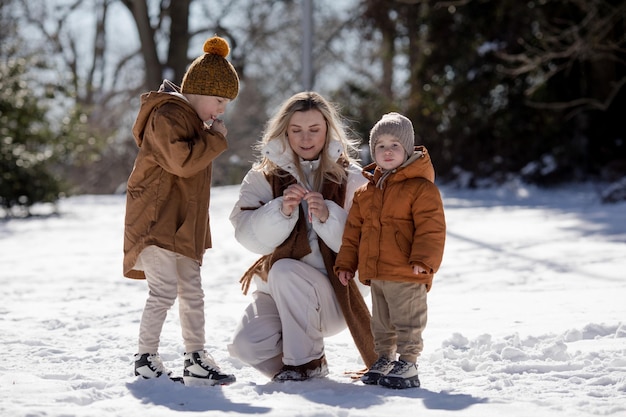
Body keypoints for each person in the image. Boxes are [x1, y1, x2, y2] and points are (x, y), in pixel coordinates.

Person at [228, 91, 378, 382]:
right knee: (246, 345)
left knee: (284, 271)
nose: (305, 138)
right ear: (284, 131)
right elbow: (245, 234)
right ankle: (303, 372)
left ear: (328, 131)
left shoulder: (354, 178)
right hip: (278, 292)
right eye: (296, 130)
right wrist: (280, 212)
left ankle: (305, 363)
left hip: (336, 295)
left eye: (314, 130)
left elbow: (371, 246)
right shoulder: (263, 176)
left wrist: (328, 217)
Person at [123, 36, 239, 386]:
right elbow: (182, 162)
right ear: (199, 91)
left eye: (225, 104)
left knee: (192, 290)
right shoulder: (168, 115)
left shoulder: (195, 123)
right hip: (157, 223)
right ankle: (145, 357)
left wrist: (209, 135)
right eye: (218, 100)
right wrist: (215, 140)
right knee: (163, 291)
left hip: (183, 226)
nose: (220, 110)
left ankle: (195, 357)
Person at [334, 112, 446, 389]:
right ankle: (384, 358)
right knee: (381, 323)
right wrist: (346, 264)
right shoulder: (366, 193)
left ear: (407, 149)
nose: (387, 151)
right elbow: (353, 234)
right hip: (378, 272)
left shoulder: (421, 188)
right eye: (380, 145)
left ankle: (408, 361)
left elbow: (431, 228)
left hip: (408, 270)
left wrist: (423, 260)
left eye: (394, 145)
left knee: (408, 319)